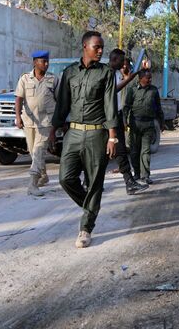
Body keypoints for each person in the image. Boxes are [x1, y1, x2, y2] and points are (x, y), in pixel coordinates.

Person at [50, 31, 119, 249]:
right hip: (74, 133)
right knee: (65, 178)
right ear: (84, 46)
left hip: (97, 134)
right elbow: (62, 103)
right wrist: (53, 130)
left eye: (102, 47)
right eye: (96, 47)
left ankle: (85, 228)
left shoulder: (106, 73)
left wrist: (112, 138)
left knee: (95, 181)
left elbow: (110, 106)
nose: (100, 51)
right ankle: (91, 206)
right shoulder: (70, 72)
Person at [14, 50, 58, 196]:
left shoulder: (53, 79)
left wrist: (58, 122)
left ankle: (32, 184)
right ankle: (43, 176)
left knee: (39, 150)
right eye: (42, 61)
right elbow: (19, 98)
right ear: (34, 62)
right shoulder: (25, 79)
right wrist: (18, 117)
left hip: (46, 122)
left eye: (47, 61)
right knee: (34, 152)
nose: (46, 64)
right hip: (29, 121)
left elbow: (60, 100)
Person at [107, 49, 148, 195]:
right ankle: (88, 181)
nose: (124, 63)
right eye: (122, 60)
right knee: (113, 151)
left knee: (120, 151)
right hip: (108, 117)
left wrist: (131, 77)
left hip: (116, 115)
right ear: (115, 59)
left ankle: (129, 182)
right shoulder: (107, 73)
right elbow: (112, 92)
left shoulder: (115, 73)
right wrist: (129, 80)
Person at [124, 70, 164, 185]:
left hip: (148, 125)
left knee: (145, 151)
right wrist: (124, 121)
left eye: (150, 78)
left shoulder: (154, 90)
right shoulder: (132, 90)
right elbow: (126, 107)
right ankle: (136, 173)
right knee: (134, 151)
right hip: (135, 124)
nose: (150, 80)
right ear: (140, 78)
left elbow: (158, 107)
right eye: (148, 78)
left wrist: (161, 122)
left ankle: (145, 175)